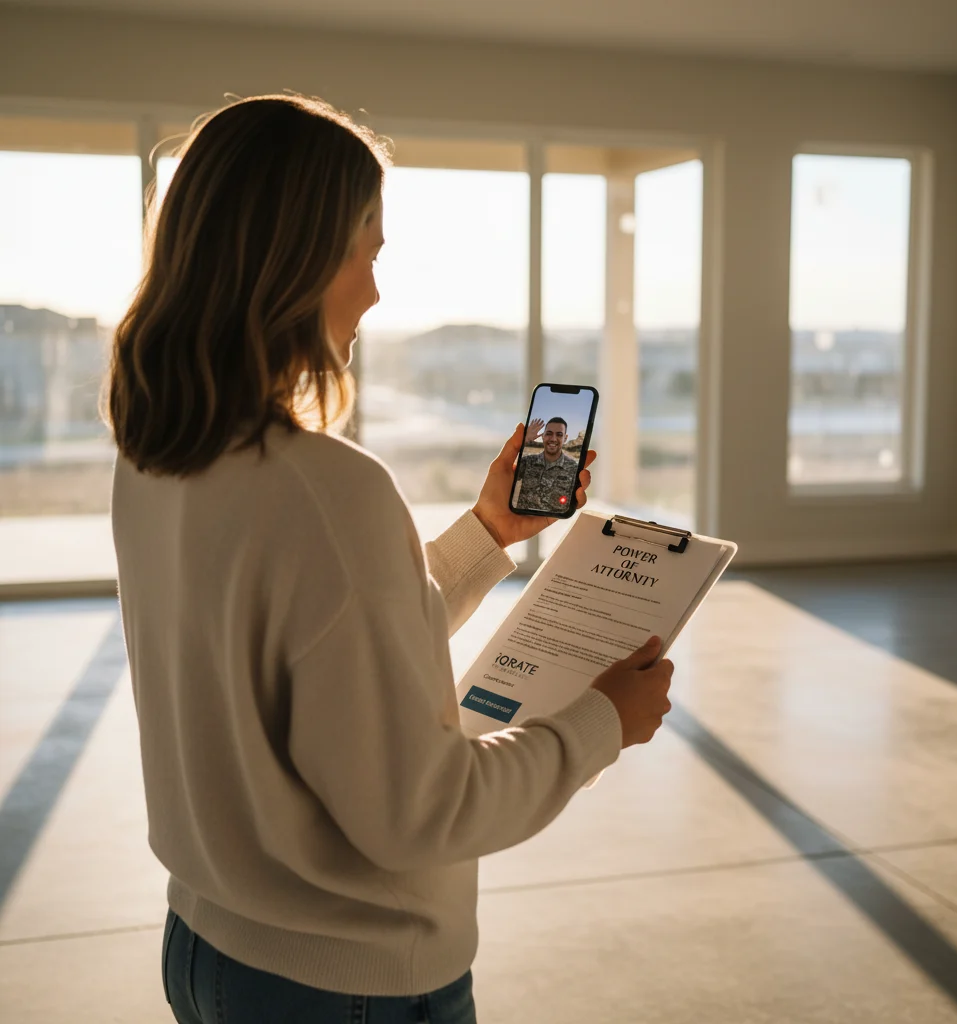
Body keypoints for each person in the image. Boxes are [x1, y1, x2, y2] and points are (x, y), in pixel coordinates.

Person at [105, 94, 673, 1024]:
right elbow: (423, 815)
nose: (374, 289)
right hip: (345, 986)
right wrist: (601, 723)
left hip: (208, 947)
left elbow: (323, 647)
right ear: (293, 259)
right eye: (366, 251)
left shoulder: (157, 454)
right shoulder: (328, 489)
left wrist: (487, 534)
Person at [514, 416, 579, 512]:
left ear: (565, 438)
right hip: (521, 518)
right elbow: (505, 476)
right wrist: (524, 441)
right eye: (549, 434)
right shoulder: (527, 462)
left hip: (555, 524)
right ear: (542, 436)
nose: (553, 439)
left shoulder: (573, 468)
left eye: (559, 435)